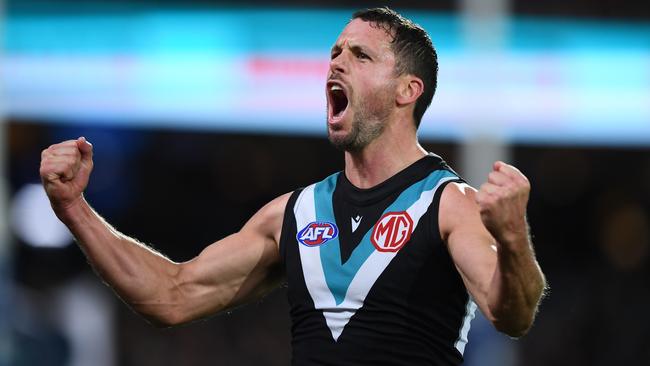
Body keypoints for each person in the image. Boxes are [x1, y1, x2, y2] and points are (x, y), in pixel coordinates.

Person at [39, 7, 546, 366]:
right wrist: (73, 208)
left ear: (407, 91)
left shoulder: (448, 205)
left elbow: (513, 314)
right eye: (335, 52)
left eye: (361, 56)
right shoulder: (296, 213)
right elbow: (171, 295)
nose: (337, 62)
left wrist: (513, 237)